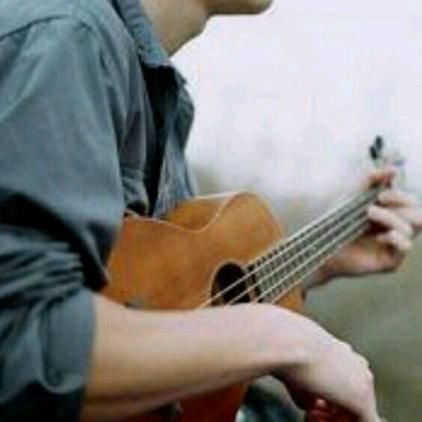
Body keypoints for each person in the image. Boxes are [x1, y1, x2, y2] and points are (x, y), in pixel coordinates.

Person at [0, 0, 420, 420]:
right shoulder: (67, 37)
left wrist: (317, 261)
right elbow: (20, 338)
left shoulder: (159, 93)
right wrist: (285, 339)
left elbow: (162, 301)